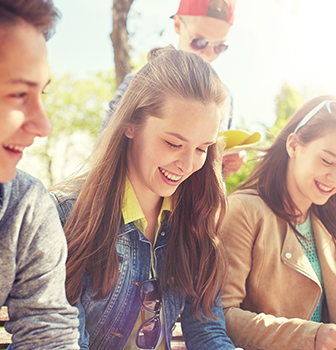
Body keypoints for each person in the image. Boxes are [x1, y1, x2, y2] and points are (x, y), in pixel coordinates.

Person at [51, 46, 239, 350]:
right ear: (130, 124)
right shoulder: (64, 215)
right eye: (173, 143)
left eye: (202, 149)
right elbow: (60, 339)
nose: (188, 164)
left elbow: (207, 333)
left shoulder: (195, 223)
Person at [221, 95, 336, 350]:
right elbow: (221, 316)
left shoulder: (328, 222)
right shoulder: (244, 210)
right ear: (293, 145)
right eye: (327, 160)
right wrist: (310, 336)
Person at [0, 0, 80, 348]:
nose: (44, 125)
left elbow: (47, 329)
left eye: (41, 93)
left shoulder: (26, 207)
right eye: (19, 94)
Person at [100, 0, 245, 177]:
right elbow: (102, 155)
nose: (208, 53)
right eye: (199, 42)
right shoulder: (138, 84)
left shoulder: (224, 99)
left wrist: (226, 166)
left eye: (219, 47)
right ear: (177, 24)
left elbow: (209, 178)